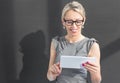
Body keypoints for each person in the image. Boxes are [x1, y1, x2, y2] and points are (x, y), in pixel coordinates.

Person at [47, 1, 102, 83]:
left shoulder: (91, 45)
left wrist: (96, 72)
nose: (74, 26)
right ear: (63, 21)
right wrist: (52, 73)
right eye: (69, 22)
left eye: (78, 21)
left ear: (83, 21)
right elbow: (50, 77)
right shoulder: (56, 42)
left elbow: (96, 81)